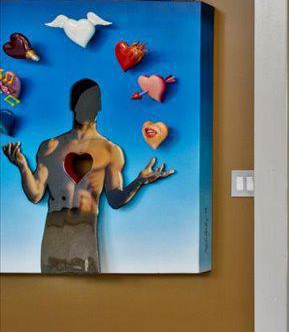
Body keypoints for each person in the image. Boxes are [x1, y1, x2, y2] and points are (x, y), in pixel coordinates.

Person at [2, 78, 173, 274]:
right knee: (51, 292)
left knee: (88, 292)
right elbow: (35, 195)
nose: (88, 105)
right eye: (83, 99)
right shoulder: (50, 147)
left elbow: (115, 199)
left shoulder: (110, 150)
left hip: (85, 238)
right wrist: (22, 166)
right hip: (54, 238)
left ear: (99, 105)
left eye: (93, 99)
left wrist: (139, 181)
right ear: (73, 104)